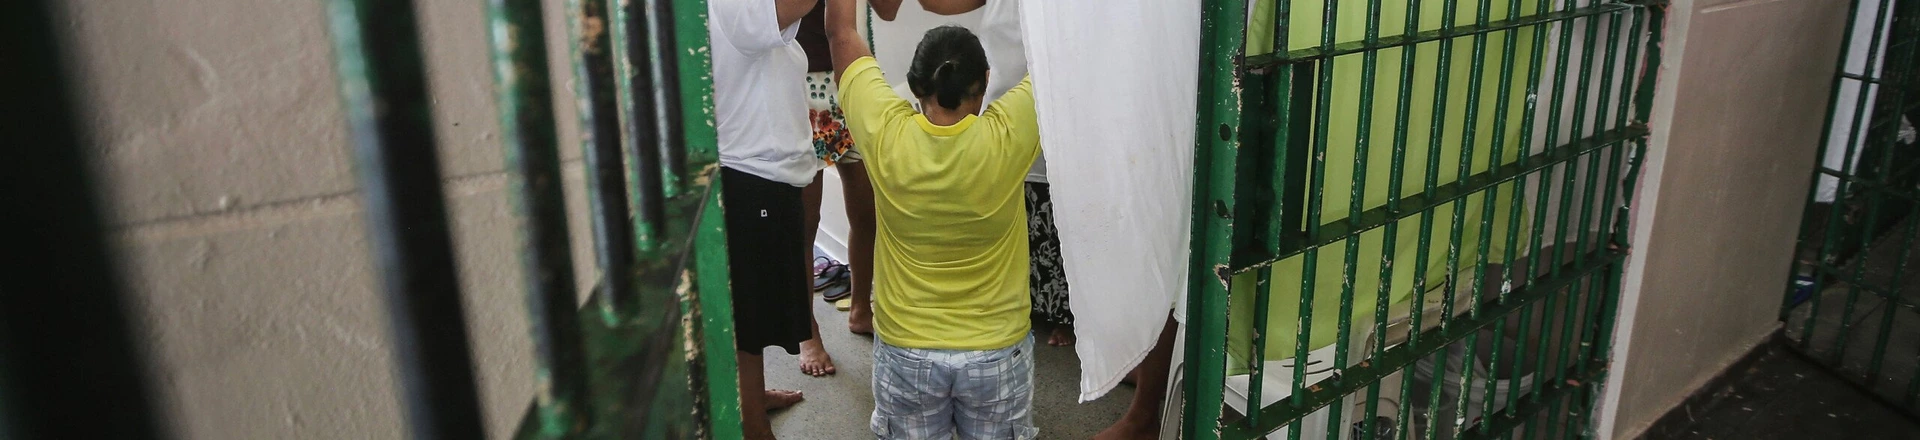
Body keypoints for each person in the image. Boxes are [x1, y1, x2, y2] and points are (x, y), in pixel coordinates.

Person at [825, 0, 1041, 437]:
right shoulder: (1008, 135)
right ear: (984, 83)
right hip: (995, 352)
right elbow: (1062, 59)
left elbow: (841, 34)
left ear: (913, 83)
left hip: (907, 350)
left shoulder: (887, 134)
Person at [897, 0, 1076, 347]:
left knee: (1056, 214)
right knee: (1014, 214)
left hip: (1044, 101)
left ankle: (1065, 314)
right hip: (996, 109)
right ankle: (1032, 307)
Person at [708, 0, 823, 438]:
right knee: (748, 320)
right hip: (749, 173)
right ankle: (751, 422)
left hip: (767, 173)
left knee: (758, 311)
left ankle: (751, 397)